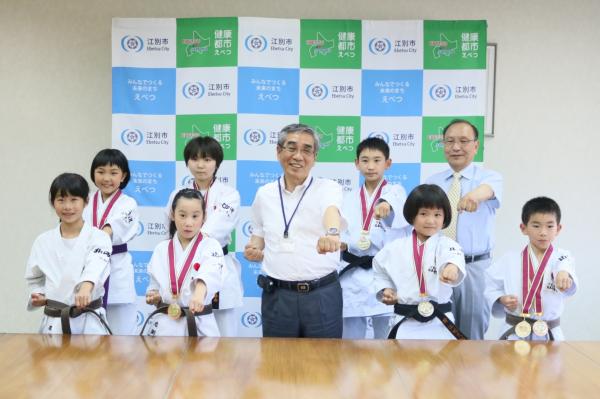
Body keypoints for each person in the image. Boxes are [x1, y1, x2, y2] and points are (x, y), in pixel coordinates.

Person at [244, 123, 346, 338]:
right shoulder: (265, 194)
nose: (298, 156)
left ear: (315, 157)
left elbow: (331, 211)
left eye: (306, 150)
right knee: (278, 365)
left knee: (324, 365)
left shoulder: (328, 188)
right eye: (291, 148)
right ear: (278, 151)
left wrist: (333, 234)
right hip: (278, 297)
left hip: (322, 296)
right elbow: (259, 235)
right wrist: (253, 249)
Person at [425, 119, 502, 339]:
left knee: (471, 337)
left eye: (463, 141)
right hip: (436, 267)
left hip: (473, 267)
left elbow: (488, 191)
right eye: (449, 141)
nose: (456, 147)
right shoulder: (433, 181)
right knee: (434, 331)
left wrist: (471, 196)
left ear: (476, 146)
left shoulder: (488, 177)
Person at [164, 136, 242, 337]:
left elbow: (217, 227)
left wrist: (195, 245)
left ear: (217, 163)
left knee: (224, 338)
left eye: (207, 160)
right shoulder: (176, 195)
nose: (200, 165)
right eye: (195, 159)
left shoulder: (228, 195)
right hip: (182, 267)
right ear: (187, 162)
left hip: (217, 264)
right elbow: (170, 233)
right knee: (186, 334)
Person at [373, 184, 467, 339]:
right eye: (424, 214)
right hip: (405, 321)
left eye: (437, 215)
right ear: (412, 215)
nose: (430, 220)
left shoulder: (448, 245)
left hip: (440, 322)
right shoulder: (394, 248)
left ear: (445, 218)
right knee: (402, 362)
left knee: (442, 363)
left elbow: (453, 258)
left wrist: (451, 268)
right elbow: (380, 270)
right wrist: (385, 289)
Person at [25, 173, 112, 334]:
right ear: (53, 202)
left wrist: (86, 286)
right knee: (51, 359)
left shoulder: (99, 237)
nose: (67, 207)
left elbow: (96, 263)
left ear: (86, 201)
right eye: (61, 200)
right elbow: (34, 279)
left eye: (74, 200)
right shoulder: (42, 241)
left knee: (93, 359)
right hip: (55, 322)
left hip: (89, 322)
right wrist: (38, 294)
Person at [339, 137, 408, 339]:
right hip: (353, 273)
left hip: (385, 272)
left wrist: (385, 204)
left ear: (388, 163)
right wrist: (342, 242)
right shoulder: (348, 198)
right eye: (365, 160)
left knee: (386, 335)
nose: (371, 166)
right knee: (351, 335)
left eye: (377, 160)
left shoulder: (396, 191)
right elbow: (340, 230)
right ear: (356, 163)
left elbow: (396, 205)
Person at [485, 197, 577, 341]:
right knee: (511, 364)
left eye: (550, 226)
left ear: (558, 229)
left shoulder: (562, 257)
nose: (543, 232)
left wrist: (564, 276)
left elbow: (564, 266)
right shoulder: (509, 259)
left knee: (552, 364)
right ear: (523, 228)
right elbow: (490, 286)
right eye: (536, 226)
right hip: (515, 331)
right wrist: (501, 299)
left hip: (549, 333)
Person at [143, 189, 223, 337]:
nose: (188, 223)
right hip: (165, 323)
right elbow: (154, 284)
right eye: (182, 215)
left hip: (198, 321)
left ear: (204, 217)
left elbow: (210, 273)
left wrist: (199, 296)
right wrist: (153, 295)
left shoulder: (211, 245)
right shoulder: (161, 248)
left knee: (203, 360)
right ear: (173, 215)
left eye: (195, 216)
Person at [83, 149, 139, 335]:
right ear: (93, 173)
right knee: (89, 334)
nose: (107, 178)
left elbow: (116, 226)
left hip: (116, 269)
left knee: (122, 336)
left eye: (113, 173)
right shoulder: (85, 200)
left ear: (123, 176)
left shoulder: (128, 203)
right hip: (87, 266)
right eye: (101, 171)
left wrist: (100, 237)